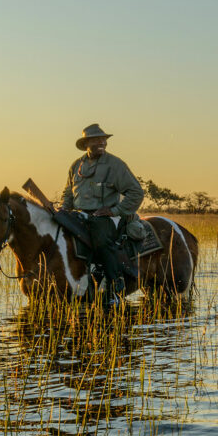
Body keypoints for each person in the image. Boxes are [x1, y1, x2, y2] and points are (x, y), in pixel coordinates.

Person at [61, 124, 145, 303]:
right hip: (80, 215)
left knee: (100, 239)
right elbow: (68, 193)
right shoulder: (76, 165)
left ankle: (114, 286)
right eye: (96, 139)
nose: (102, 142)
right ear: (86, 144)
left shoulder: (115, 165)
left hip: (108, 216)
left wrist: (115, 210)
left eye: (104, 139)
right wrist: (63, 210)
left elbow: (136, 192)